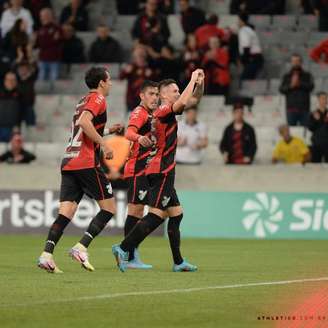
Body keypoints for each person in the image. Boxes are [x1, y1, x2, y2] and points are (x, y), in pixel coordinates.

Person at [112, 69, 205, 273]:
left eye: (179, 90)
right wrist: (190, 79)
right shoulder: (162, 111)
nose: (178, 93)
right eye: (174, 90)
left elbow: (194, 99)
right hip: (161, 169)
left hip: (161, 168)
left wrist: (200, 83)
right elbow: (182, 103)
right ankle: (124, 248)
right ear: (163, 95)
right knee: (155, 215)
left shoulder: (166, 110)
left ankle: (178, 262)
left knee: (176, 214)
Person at [37, 67, 122, 273]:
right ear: (101, 82)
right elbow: (85, 123)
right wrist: (105, 143)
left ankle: (46, 255)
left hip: (69, 161)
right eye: (109, 80)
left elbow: (81, 127)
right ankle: (81, 247)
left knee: (66, 212)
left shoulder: (82, 101)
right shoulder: (99, 99)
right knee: (109, 209)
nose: (110, 83)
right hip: (86, 162)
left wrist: (109, 130)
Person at [122, 80, 159, 269]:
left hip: (145, 169)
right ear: (142, 96)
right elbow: (129, 132)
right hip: (137, 169)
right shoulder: (139, 112)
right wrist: (140, 138)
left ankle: (129, 253)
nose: (155, 97)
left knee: (138, 212)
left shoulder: (152, 114)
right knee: (135, 211)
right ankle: (128, 255)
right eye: (151, 94)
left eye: (156, 94)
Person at [279, 54, 314, 126]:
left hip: (304, 109)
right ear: (291, 62)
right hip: (291, 109)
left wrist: (299, 84)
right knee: (292, 131)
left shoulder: (307, 75)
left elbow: (311, 87)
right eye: (294, 61)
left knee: (306, 132)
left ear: (301, 62)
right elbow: (281, 90)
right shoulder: (286, 76)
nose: (295, 62)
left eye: (297, 61)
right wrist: (291, 86)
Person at [120, 45, 155, 112]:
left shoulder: (149, 68)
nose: (140, 58)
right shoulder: (131, 67)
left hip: (145, 99)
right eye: (138, 56)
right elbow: (121, 77)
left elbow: (154, 84)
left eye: (141, 55)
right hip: (132, 98)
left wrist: (151, 75)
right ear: (134, 57)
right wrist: (126, 71)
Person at [35, 8, 63, 82]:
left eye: (47, 15)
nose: (44, 17)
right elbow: (39, 43)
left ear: (51, 16)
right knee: (41, 81)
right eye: (43, 16)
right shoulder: (40, 29)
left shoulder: (57, 28)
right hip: (42, 59)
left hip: (54, 59)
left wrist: (47, 41)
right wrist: (51, 39)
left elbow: (58, 41)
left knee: (54, 82)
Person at [238, 13, 263, 80]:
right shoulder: (250, 30)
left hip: (252, 59)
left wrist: (243, 61)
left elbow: (246, 47)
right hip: (256, 58)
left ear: (241, 21)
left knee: (244, 82)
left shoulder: (244, 30)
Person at [308, 92, 328, 163]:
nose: (324, 100)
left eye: (326, 98)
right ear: (318, 100)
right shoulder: (313, 113)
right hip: (317, 143)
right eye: (322, 98)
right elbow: (310, 128)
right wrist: (316, 120)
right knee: (315, 165)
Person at [0, 71, 20, 142]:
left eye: (13, 80)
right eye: (8, 80)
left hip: (11, 128)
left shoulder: (20, 94)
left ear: (16, 81)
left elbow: (21, 112)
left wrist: (17, 125)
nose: (10, 82)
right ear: (5, 81)